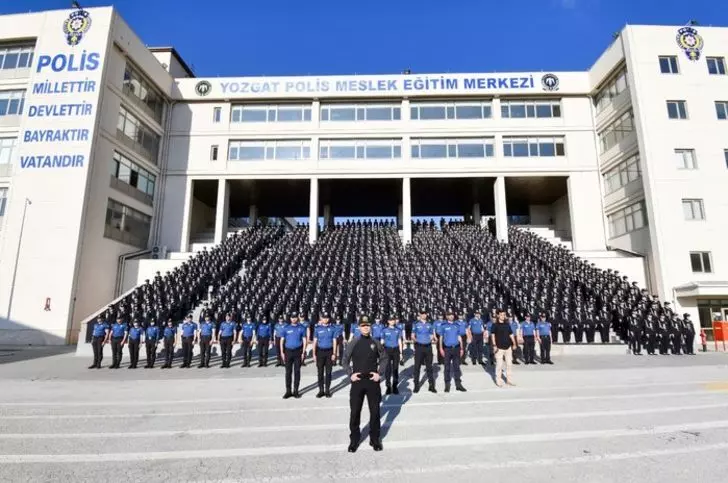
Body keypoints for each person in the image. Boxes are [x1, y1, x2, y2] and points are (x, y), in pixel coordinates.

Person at [342, 316, 388, 453]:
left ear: (371, 327)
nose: (366, 327)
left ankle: (375, 439)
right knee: (355, 411)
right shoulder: (354, 342)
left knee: (375, 412)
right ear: (359, 327)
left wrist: (379, 373)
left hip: (372, 382)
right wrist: (350, 374)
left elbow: (384, 358)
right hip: (357, 382)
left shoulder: (376, 342)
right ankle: (354, 440)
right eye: (363, 325)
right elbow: (344, 359)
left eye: (367, 325)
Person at [438, 310, 467, 392]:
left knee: (457, 367)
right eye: (449, 315)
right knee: (447, 367)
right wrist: (440, 348)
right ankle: (447, 384)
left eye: (452, 315)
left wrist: (461, 348)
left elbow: (459, 337)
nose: (451, 316)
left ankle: (458, 385)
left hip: (456, 348)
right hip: (447, 349)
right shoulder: (443, 326)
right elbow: (441, 338)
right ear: (447, 316)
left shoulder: (457, 325)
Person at [280, 312, 307, 399]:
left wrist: (303, 352)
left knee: (297, 372)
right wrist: (282, 352)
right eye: (292, 317)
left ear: (297, 318)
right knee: (288, 372)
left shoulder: (301, 328)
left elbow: (304, 340)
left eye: (295, 317)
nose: (294, 319)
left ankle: (296, 391)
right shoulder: (286, 328)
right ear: (290, 318)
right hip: (288, 352)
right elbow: (282, 340)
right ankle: (288, 391)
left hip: (297, 352)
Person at [411, 309, 437, 393]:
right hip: (419, 347)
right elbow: (412, 335)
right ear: (419, 315)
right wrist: (417, 341)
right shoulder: (416, 324)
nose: (423, 315)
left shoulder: (430, 324)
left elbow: (431, 334)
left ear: (426, 314)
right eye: (422, 314)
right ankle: (416, 386)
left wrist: (430, 339)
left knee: (429, 367)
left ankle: (431, 385)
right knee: (417, 367)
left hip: (428, 347)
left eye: (425, 314)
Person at [313, 312, 336, 398]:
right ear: (321, 319)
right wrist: (314, 354)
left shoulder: (333, 328)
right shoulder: (317, 329)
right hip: (320, 352)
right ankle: (321, 390)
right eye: (324, 318)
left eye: (327, 318)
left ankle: (327, 390)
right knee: (320, 372)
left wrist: (334, 353)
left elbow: (334, 341)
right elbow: (315, 342)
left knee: (328, 372)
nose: (325, 319)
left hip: (329, 352)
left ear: (329, 319)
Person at [491, 309, 516, 387]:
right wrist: (494, 345)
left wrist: (514, 343)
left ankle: (509, 380)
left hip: (508, 347)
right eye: (501, 315)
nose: (503, 316)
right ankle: (498, 381)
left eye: (504, 315)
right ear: (498, 315)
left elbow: (511, 334)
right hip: (499, 348)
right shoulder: (495, 325)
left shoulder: (507, 324)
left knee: (509, 364)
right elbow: (493, 335)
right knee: (499, 365)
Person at [381, 314, 403, 394]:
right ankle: (388, 386)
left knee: (395, 369)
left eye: (393, 320)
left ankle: (395, 386)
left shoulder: (398, 330)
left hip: (396, 350)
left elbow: (400, 341)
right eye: (390, 320)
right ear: (388, 321)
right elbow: (382, 342)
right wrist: (380, 352)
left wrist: (401, 353)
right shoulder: (384, 330)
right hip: (387, 350)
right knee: (388, 369)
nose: (392, 321)